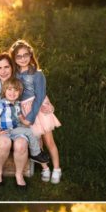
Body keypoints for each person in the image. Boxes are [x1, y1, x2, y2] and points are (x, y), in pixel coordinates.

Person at [0, 53, 51, 188]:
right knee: (5, 142)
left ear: (12, 68)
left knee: (21, 144)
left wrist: (48, 105)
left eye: (6, 67)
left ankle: (19, 174)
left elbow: (37, 97)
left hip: (18, 128)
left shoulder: (19, 86)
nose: (3, 71)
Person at [10, 39, 63, 184]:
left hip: (38, 109)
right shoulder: (14, 75)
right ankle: (45, 168)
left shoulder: (37, 74)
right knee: (36, 142)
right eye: (18, 56)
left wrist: (31, 117)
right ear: (14, 58)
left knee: (49, 141)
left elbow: (40, 96)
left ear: (30, 54)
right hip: (24, 110)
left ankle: (57, 168)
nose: (22, 59)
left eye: (25, 55)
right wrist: (20, 114)